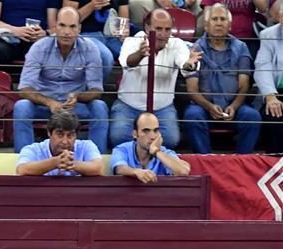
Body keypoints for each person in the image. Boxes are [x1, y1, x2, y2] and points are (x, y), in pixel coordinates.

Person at [14, 7, 109, 153]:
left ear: (79, 29)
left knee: (100, 106)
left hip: (75, 107)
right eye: (62, 25)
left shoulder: (90, 49)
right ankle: (24, 160)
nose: (66, 32)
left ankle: (96, 160)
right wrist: (49, 102)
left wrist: (78, 96)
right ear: (55, 27)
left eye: (72, 26)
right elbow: (24, 89)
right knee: (22, 106)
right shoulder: (39, 47)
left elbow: (96, 90)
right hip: (44, 106)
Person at [109, 8, 202, 147]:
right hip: (128, 106)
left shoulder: (177, 44)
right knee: (119, 137)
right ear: (147, 28)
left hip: (162, 108)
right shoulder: (133, 41)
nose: (163, 34)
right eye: (158, 29)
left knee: (171, 140)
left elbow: (186, 64)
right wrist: (139, 54)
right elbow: (127, 62)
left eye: (167, 29)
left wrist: (190, 64)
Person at [182, 3, 261, 153]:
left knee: (252, 116)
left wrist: (234, 106)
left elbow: (244, 84)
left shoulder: (241, 47)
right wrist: (208, 106)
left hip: (234, 106)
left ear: (230, 26)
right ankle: (205, 163)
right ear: (206, 25)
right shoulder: (195, 49)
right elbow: (192, 89)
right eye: (215, 19)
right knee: (192, 116)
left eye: (223, 19)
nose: (219, 23)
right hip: (203, 107)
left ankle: (241, 163)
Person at [16, 108, 103, 176]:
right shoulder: (32, 149)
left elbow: (99, 168)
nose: (65, 142)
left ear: (76, 135)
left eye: (70, 136)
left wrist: (73, 164)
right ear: (49, 133)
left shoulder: (87, 146)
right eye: (60, 135)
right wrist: (55, 163)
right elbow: (22, 170)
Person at [111, 111, 191, 182]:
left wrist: (156, 152)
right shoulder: (122, 149)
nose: (152, 136)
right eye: (146, 131)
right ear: (135, 134)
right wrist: (135, 172)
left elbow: (183, 171)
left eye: (155, 130)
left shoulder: (164, 153)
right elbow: (119, 168)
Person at [63, 0, 130, 81]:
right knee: (106, 57)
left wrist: (123, 31)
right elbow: (67, 21)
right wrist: (91, 6)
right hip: (86, 34)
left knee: (132, 54)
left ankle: (126, 89)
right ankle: (95, 90)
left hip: (112, 36)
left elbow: (123, 20)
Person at [0, 0, 56, 66]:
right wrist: (15, 30)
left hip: (37, 40)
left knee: (50, 52)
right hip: (8, 38)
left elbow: (53, 27)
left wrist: (44, 33)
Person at [255, 0, 283, 152]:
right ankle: (275, 164)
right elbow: (262, 66)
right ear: (280, 18)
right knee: (273, 113)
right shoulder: (268, 35)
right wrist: (270, 96)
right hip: (277, 91)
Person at [127, 0, 201, 29]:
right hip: (157, 3)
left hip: (186, 4)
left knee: (203, 6)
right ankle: (143, 36)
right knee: (136, 3)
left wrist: (184, 3)